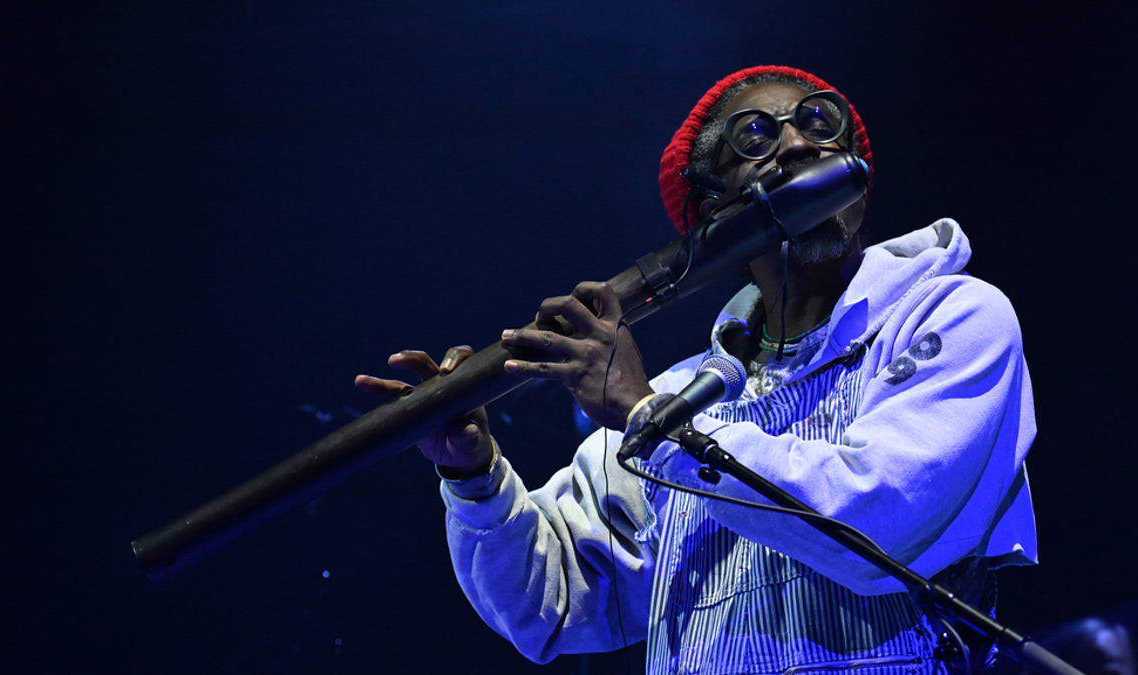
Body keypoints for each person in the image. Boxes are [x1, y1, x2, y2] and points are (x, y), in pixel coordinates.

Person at [356, 65, 1038, 675]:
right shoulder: (685, 392)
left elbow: (880, 517)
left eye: (820, 125)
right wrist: (473, 476)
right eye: (757, 136)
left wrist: (646, 415)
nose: (799, 144)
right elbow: (551, 603)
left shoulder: (952, 316)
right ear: (716, 215)